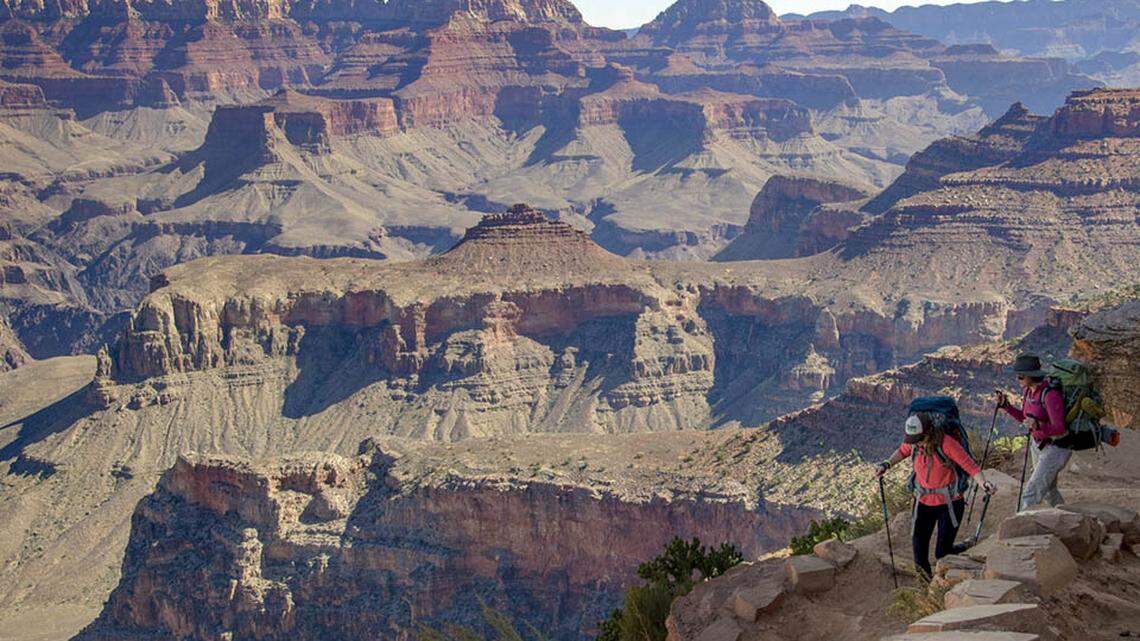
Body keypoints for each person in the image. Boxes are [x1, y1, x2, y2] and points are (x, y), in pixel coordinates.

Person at [875, 412, 996, 578]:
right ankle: (926, 587)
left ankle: (963, 547)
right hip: (923, 501)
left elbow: (971, 467)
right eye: (912, 440)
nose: (915, 443)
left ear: (928, 433)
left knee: (942, 553)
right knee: (919, 550)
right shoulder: (914, 443)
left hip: (950, 503)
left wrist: (984, 484)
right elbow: (902, 451)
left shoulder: (947, 444)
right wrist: (886, 464)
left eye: (918, 439)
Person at [994, 353, 1071, 510]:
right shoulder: (1028, 392)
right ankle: (1068, 517)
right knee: (1049, 490)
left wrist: (1038, 426)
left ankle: (1020, 525)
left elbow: (1060, 428)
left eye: (1021, 376)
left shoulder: (1050, 395)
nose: (1018, 379)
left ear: (1031, 375)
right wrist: (1006, 406)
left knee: (1031, 491)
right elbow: (1024, 417)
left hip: (1056, 447)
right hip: (1038, 445)